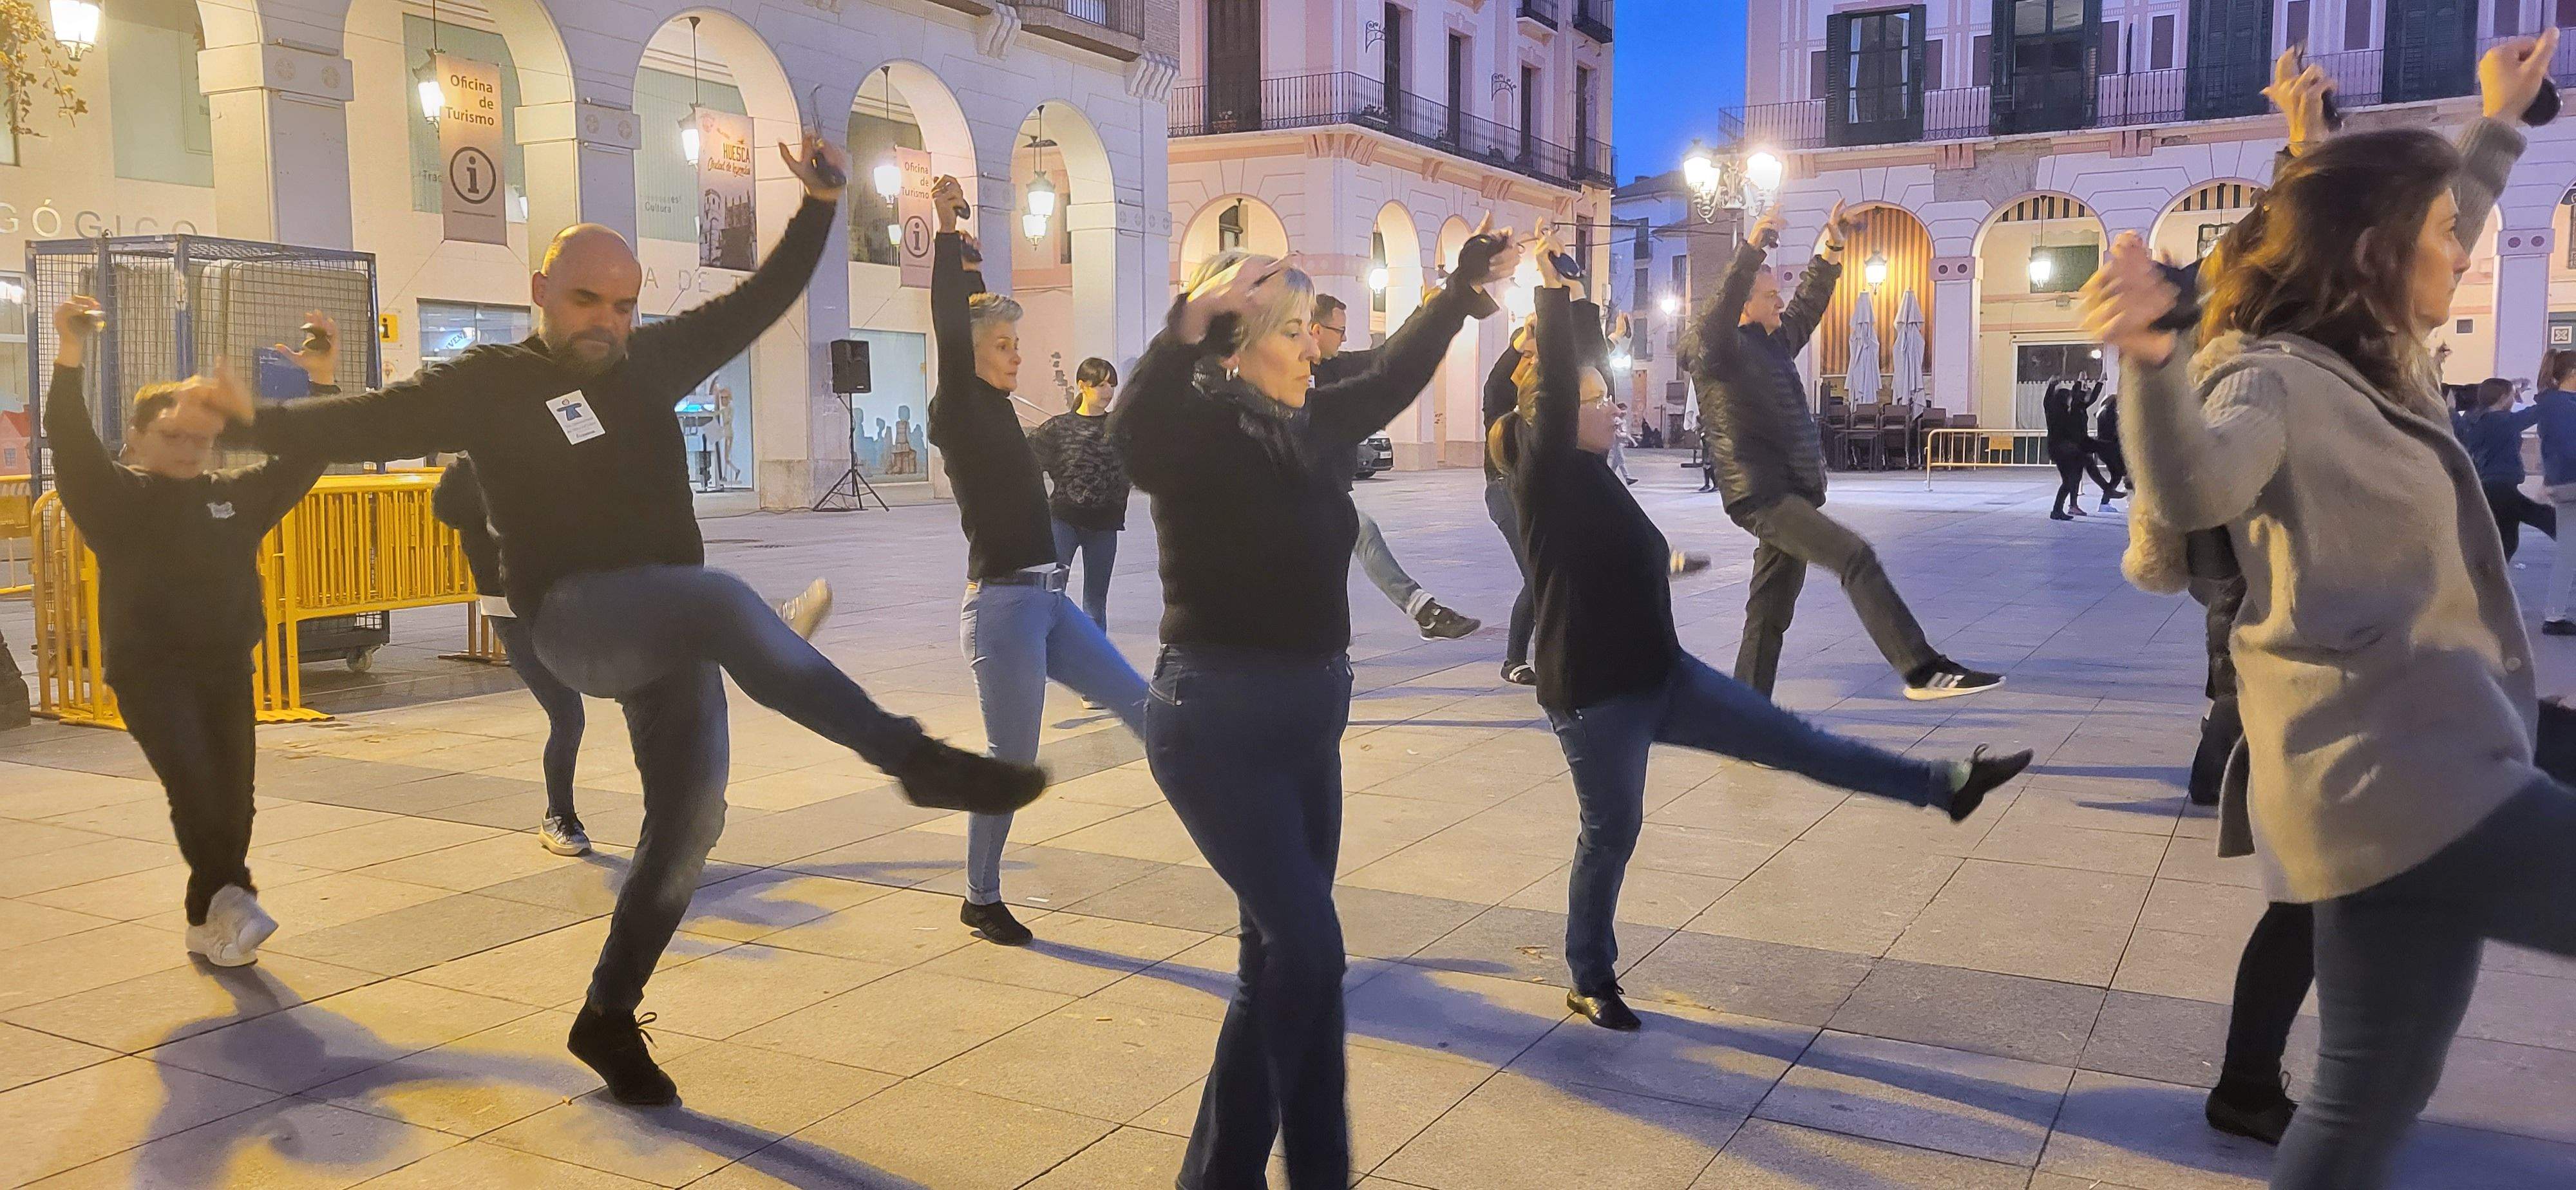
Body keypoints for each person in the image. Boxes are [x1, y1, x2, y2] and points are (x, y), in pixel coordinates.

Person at [234, 133, 1045, 1106]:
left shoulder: (650, 362)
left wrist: (822, 205)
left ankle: (608, 1016)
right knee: (719, 600)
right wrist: (240, 423)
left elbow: (756, 304)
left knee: (692, 823)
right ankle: (912, 758)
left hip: (672, 631)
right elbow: (363, 423)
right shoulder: (490, 384)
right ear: (542, 289)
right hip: (573, 619)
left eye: (624, 305)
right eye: (587, 300)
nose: (608, 322)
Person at [2080, 32, 2567, 1187]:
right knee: (2362, 1097)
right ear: (2374, 254)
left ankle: (2257, 1087)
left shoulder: (2379, 350)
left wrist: (2496, 117)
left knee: (2357, 1108)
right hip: (2405, 770)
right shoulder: (2274, 374)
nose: (2464, 247)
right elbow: (2195, 483)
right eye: (2443, 236)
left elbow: (2453, 204)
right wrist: (2148, 357)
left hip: (2391, 783)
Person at [1497, 231, 2032, 1031]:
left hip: (1663, 675)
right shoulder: (1546, 478)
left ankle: (1945, 787)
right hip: (1594, 697)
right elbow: (1551, 405)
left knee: (1794, 740)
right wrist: (1555, 293)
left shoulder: (1598, 481)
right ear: (1558, 420)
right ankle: (1589, 975)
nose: (1611, 406)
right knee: (1610, 835)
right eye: (1596, 401)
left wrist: (1663, 566)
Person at [1112, 225, 1520, 1190]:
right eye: (1293, 330)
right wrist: (1185, 327)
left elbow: (1391, 379)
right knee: (1311, 949)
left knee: (1275, 963)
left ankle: (1218, 1178)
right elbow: (1132, 437)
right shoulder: (1198, 433)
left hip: (1307, 725)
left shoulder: (1311, 424)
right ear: (1238, 342)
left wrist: (1459, 293)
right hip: (1216, 720)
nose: (1314, 346)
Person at [42, 294, 328, 968]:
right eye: (173, 436)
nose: (190, 449)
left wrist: (321, 379)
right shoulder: (117, 498)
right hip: (150, 672)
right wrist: (70, 351)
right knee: (195, 786)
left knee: (235, 799)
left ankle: (207, 919)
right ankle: (238, 900)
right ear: (137, 437)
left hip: (227, 667)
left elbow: (301, 464)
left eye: (201, 439)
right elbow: (73, 442)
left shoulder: (229, 495)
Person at [925, 175, 1149, 947]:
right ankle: (979, 896)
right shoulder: (956, 403)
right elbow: (956, 331)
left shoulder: (997, 403)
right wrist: (948, 229)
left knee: (1145, 708)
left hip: (1049, 602)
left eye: (1018, 343)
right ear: (968, 355)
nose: (1016, 354)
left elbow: (978, 322)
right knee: (1011, 759)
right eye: (1003, 346)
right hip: (1002, 611)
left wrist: (982, 277)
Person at [1690, 200, 2004, 700]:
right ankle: (1922, 670)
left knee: (1769, 612)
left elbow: (1810, 304)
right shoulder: (1719, 352)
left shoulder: (1773, 343)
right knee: (1855, 556)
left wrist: (1833, 247)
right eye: (1770, 296)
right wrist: (1751, 250)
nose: (1780, 302)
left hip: (1793, 492)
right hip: (1764, 496)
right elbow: (1720, 310)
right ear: (1744, 305)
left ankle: (1744, 718)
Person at [1311, 293, 1481, 641]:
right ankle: (1421, 610)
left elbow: (1386, 357)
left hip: (1326, 487)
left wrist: (1425, 314)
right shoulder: (1286, 371)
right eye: (1339, 331)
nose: (1344, 338)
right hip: (1303, 490)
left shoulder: (1333, 367)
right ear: (1316, 329)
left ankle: (1414, 612)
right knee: (1360, 532)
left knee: (1336, 553)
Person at [1028, 357, 1129, 631]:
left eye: (1112, 385)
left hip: (1105, 525)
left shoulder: (1120, 429)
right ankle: (1044, 654)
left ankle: (1097, 665)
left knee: (1095, 603)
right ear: (1083, 386)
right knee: (1050, 594)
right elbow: (1027, 463)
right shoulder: (1058, 429)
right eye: (1101, 385)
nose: (1108, 392)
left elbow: (1143, 463)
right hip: (1064, 521)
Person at [1484, 319, 1539, 685]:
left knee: (1550, 574)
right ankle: (1513, 661)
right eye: (1528, 357)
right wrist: (1519, 345)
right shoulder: (1503, 410)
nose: (1533, 362)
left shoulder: (1541, 400)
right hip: (1505, 492)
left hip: (1534, 493)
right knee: (1537, 575)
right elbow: (1494, 385)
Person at [2454, 375, 2555, 561]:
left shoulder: (2475, 420)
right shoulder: (2503, 422)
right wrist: (2552, 396)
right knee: (2544, 520)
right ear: (2502, 399)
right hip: (2502, 486)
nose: (2513, 398)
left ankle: (2491, 576)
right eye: (2511, 395)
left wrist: (2452, 412)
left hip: (2489, 485)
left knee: (2507, 539)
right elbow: (2534, 413)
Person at [2536, 349, 2576, 634]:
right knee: (2568, 550)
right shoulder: (2564, 406)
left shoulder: (2553, 403)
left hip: (2563, 483)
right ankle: (2554, 614)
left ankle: (2555, 615)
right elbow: (2568, 448)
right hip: (2572, 480)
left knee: (2568, 551)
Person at [2043, 379, 2116, 520]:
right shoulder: (2055, 412)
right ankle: (2106, 489)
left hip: (2066, 450)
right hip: (2061, 450)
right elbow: (2048, 401)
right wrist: (2053, 385)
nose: (2072, 400)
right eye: (2069, 398)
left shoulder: (2066, 412)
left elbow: (2082, 399)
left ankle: (2057, 510)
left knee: (2070, 480)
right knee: (2079, 469)